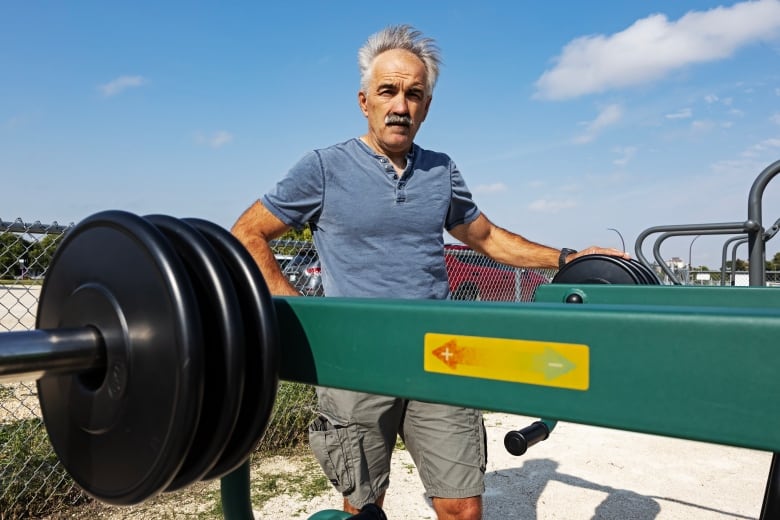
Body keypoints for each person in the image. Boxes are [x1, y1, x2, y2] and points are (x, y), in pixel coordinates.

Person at [232, 24, 628, 520]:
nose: (401, 104)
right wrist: (309, 316)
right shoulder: (323, 167)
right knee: (363, 506)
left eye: (414, 94)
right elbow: (247, 235)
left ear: (426, 106)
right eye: (388, 91)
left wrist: (568, 259)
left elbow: (484, 237)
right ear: (364, 101)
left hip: (441, 354)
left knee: (462, 506)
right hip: (356, 362)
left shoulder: (440, 169)